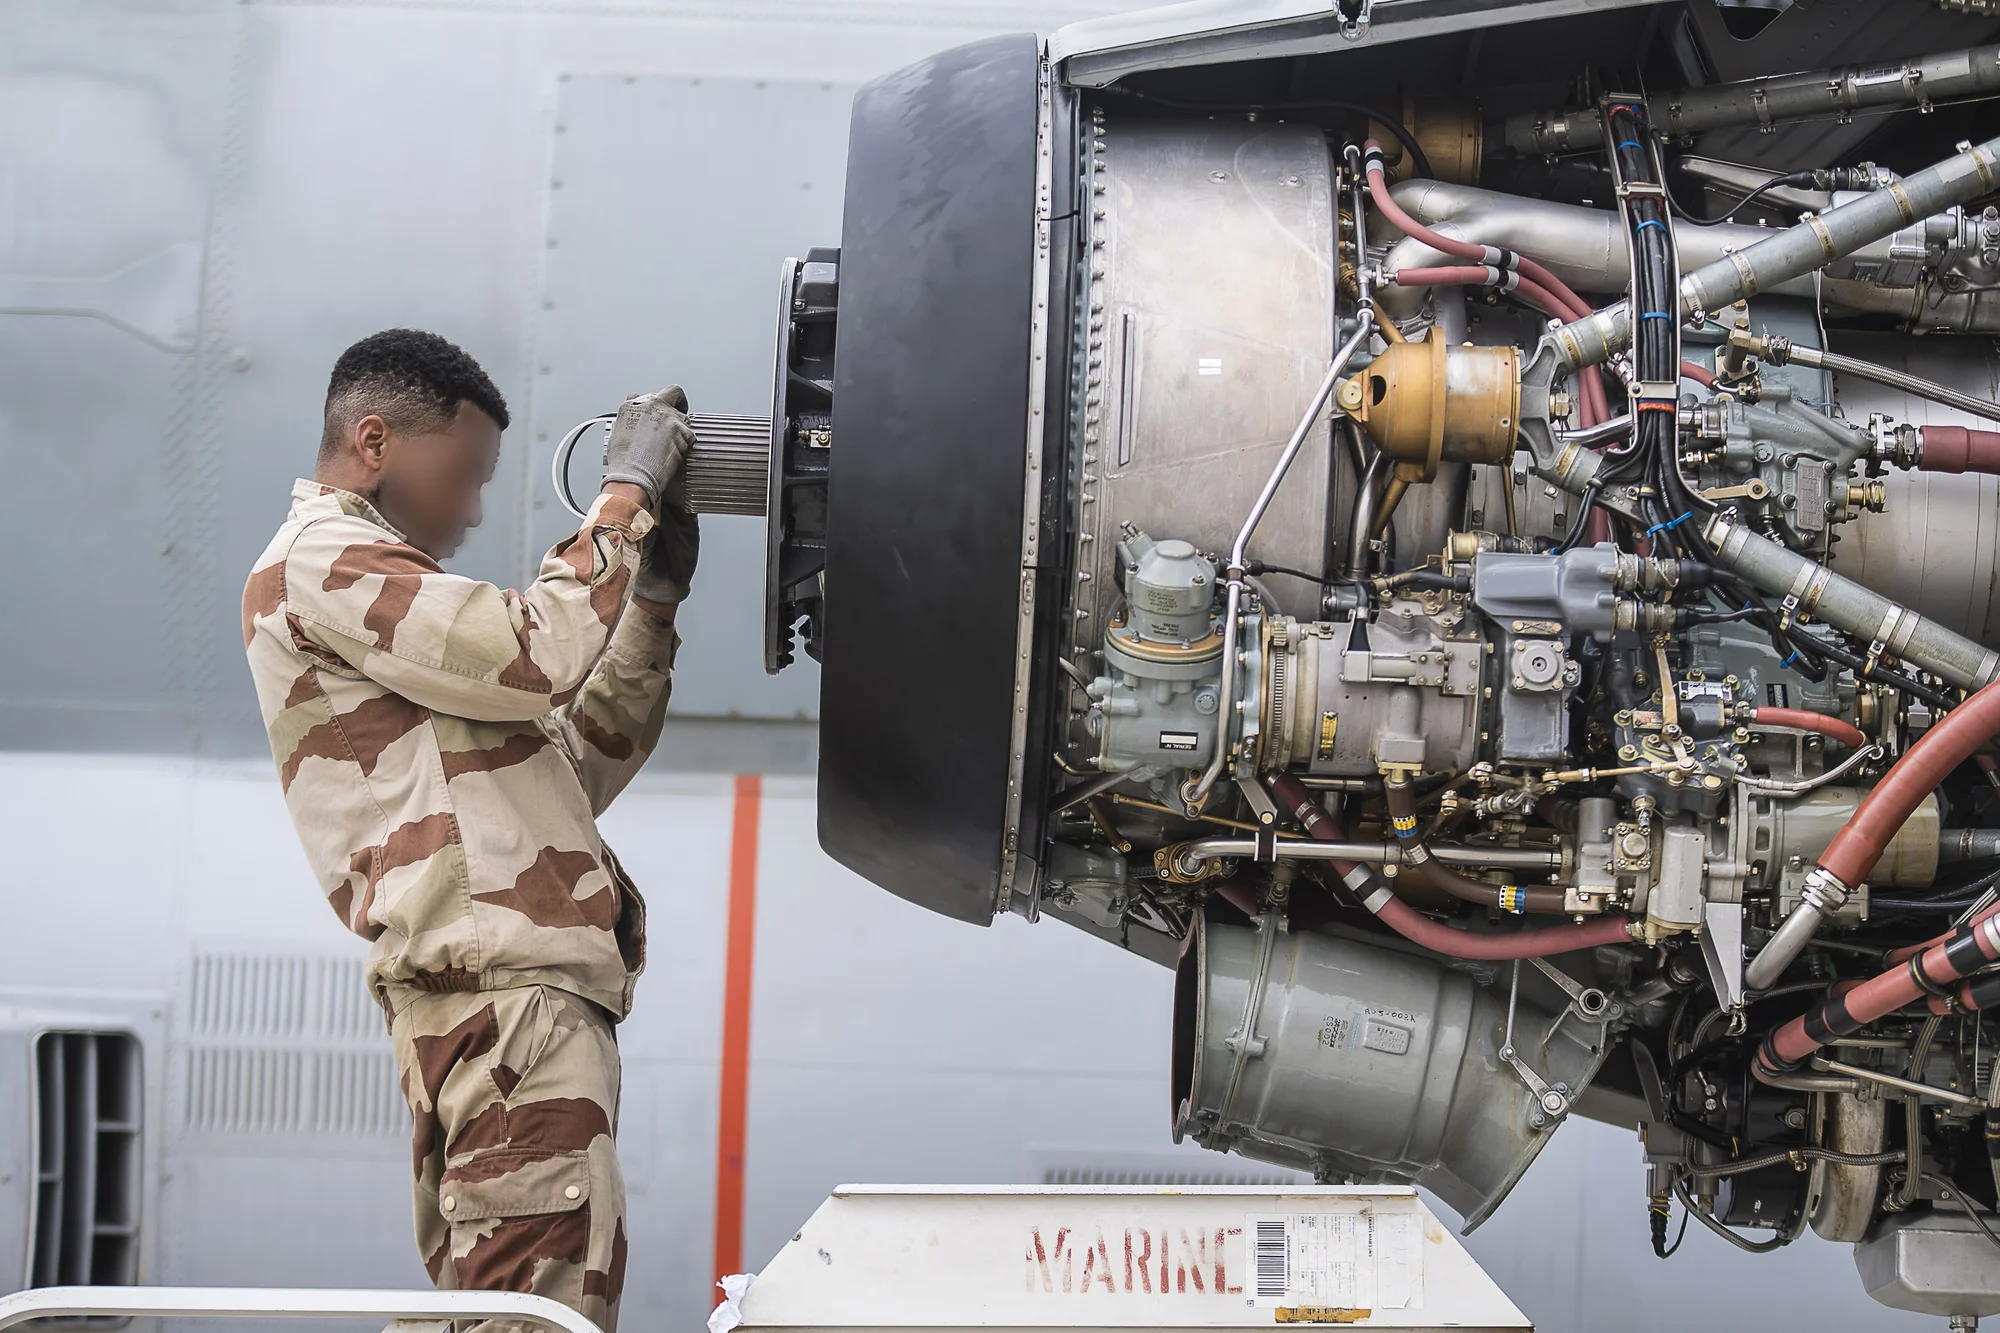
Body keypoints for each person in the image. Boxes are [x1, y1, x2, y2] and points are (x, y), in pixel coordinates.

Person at [241, 328, 698, 1332]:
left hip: (513, 1018)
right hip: (503, 1018)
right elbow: (537, 648)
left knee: (521, 1308)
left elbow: (575, 763)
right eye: (462, 476)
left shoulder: (394, 630)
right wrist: (622, 497)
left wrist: (652, 601)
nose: (473, 510)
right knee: (532, 1317)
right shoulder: (324, 560)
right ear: (373, 442)